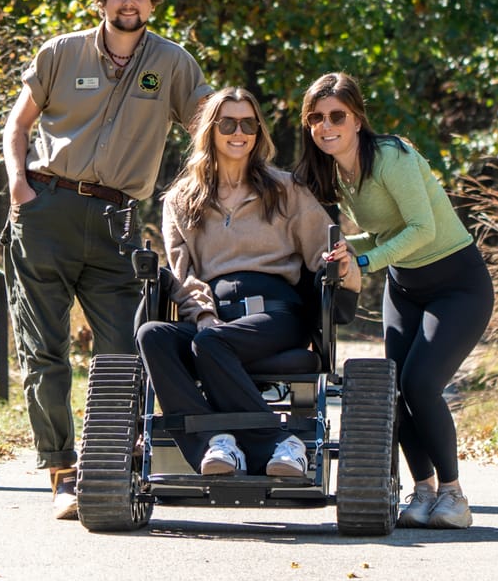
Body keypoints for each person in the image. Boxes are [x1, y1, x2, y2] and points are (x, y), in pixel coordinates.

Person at [2, 0, 211, 520]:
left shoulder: (172, 63)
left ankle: (112, 457)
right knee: (44, 350)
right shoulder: (61, 52)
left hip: (117, 219)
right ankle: (62, 473)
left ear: (152, 1)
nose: (128, 2)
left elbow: (211, 132)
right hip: (47, 210)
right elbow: (17, 125)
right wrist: (20, 187)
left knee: (126, 348)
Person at [299, 72, 494, 529]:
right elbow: (386, 232)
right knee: (395, 389)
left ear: (357, 118)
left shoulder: (391, 156)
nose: (326, 126)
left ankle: (453, 495)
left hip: (457, 284)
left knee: (422, 382)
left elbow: (422, 229)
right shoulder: (334, 170)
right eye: (316, 118)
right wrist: (349, 248)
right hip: (405, 287)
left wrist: (363, 262)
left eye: (337, 116)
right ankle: (422, 492)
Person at [138, 87, 362, 476]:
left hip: (276, 317)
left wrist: (344, 268)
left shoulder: (286, 189)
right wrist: (205, 317)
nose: (238, 132)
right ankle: (216, 443)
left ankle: (281, 442)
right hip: (214, 321)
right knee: (153, 335)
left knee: (211, 343)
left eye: (248, 124)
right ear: (211, 130)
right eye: (228, 123)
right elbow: (183, 275)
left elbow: (324, 254)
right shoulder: (180, 199)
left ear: (258, 132)